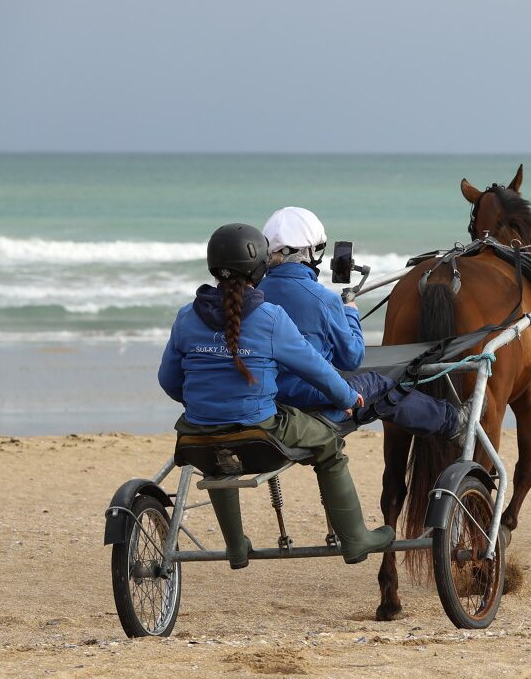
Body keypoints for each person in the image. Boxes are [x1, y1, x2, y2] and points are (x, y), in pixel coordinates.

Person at [158, 223, 395, 569]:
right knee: (329, 445)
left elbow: (169, 381)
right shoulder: (270, 318)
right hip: (261, 438)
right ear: (259, 268)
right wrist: (347, 398)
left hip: (196, 439)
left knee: (219, 461)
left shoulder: (185, 317)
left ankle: (236, 548)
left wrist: (207, 405)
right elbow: (316, 369)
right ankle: (356, 539)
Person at [258, 206, 463, 439]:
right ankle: (453, 422)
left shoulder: (253, 293)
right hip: (313, 403)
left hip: (269, 400)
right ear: (309, 252)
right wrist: (350, 313)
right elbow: (351, 358)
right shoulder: (324, 300)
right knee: (378, 383)